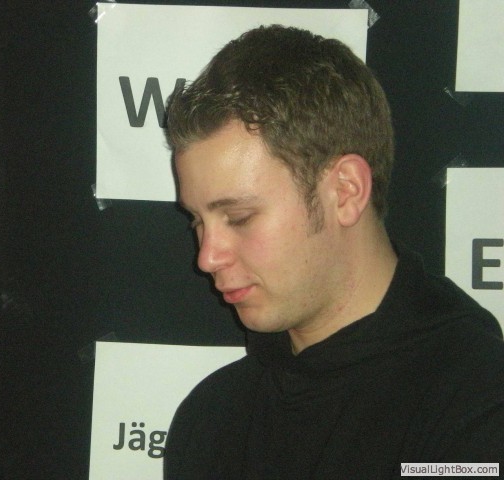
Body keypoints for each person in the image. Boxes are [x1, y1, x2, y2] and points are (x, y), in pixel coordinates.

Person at [163, 25, 504, 479]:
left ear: (346, 191)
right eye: (197, 221)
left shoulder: (475, 405)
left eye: (239, 217)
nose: (207, 257)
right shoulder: (212, 418)